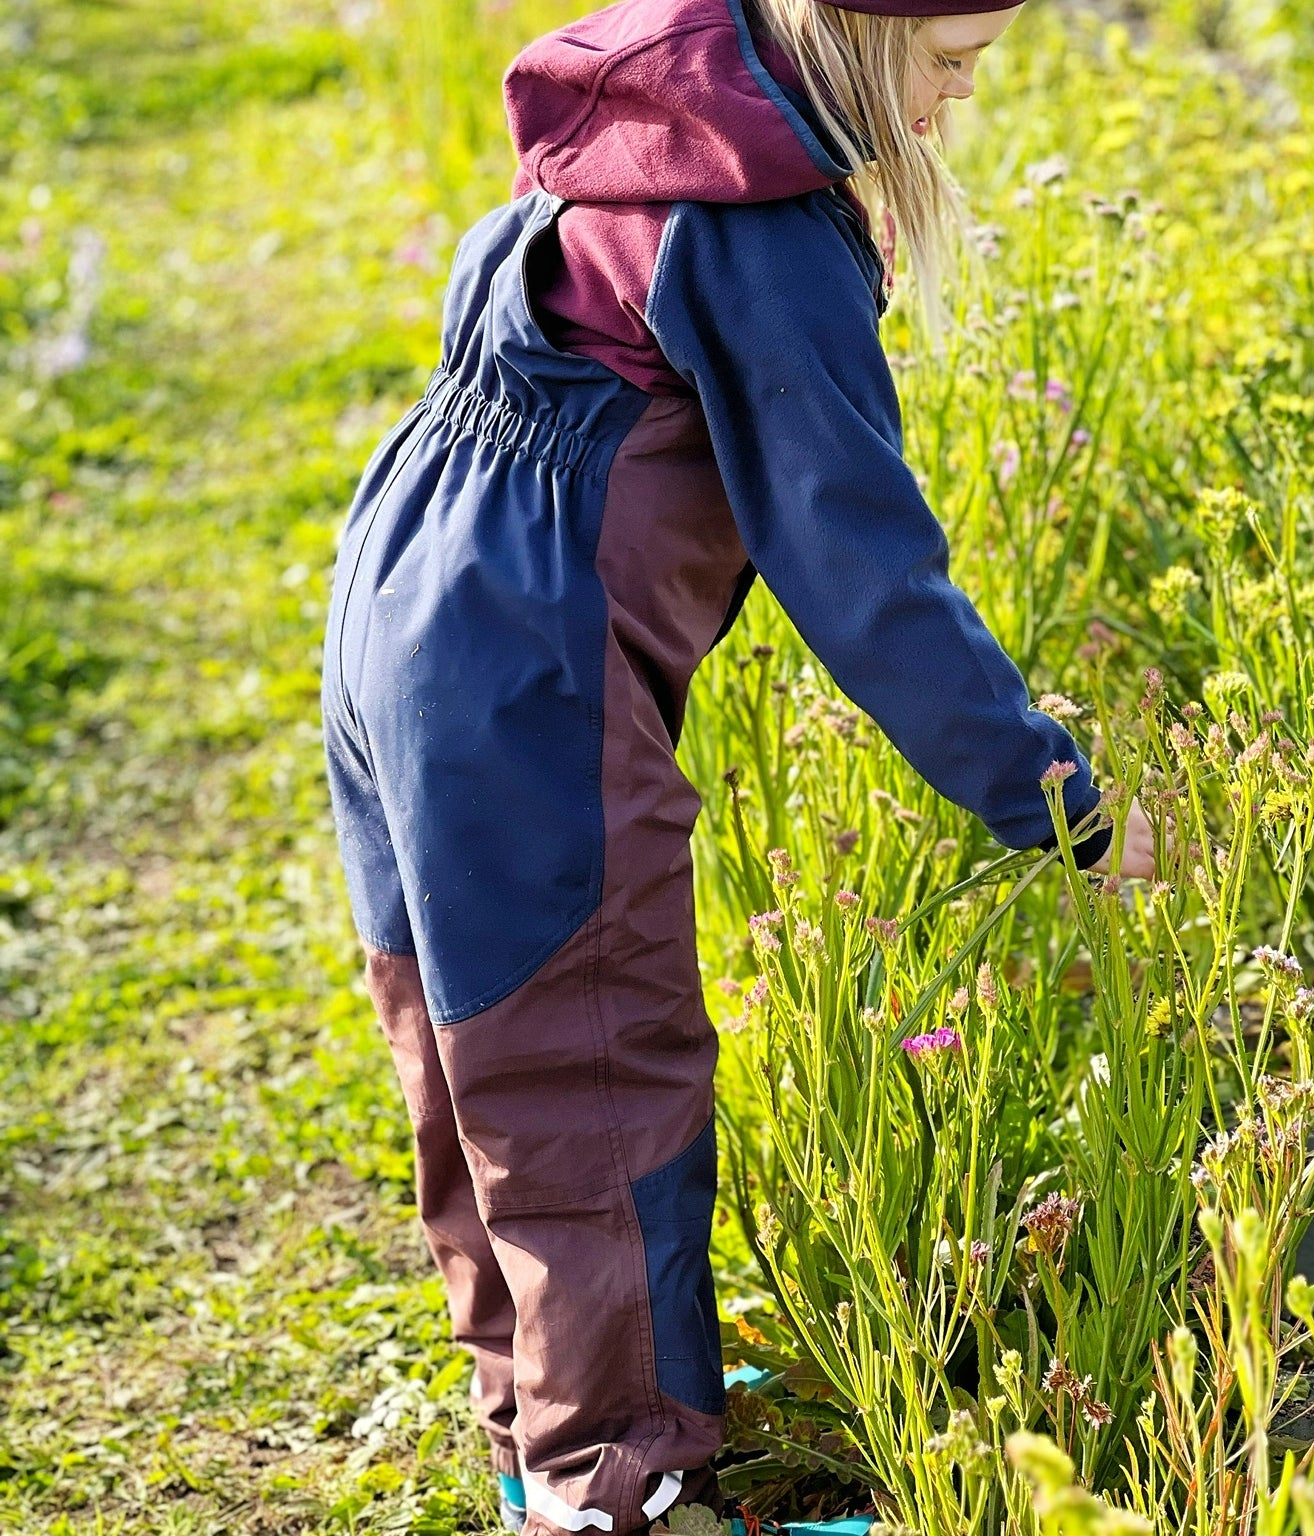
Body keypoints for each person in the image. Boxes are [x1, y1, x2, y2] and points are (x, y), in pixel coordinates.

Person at [320, 0, 1156, 1527]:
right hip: (527, 666)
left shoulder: (629, 130)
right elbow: (864, 573)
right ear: (843, 37)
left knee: (474, 1050)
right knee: (590, 1058)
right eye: (949, 65)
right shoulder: (757, 231)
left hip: (399, 602)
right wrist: (1059, 797)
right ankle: (618, 1485)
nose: (957, 102)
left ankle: (541, 1430)